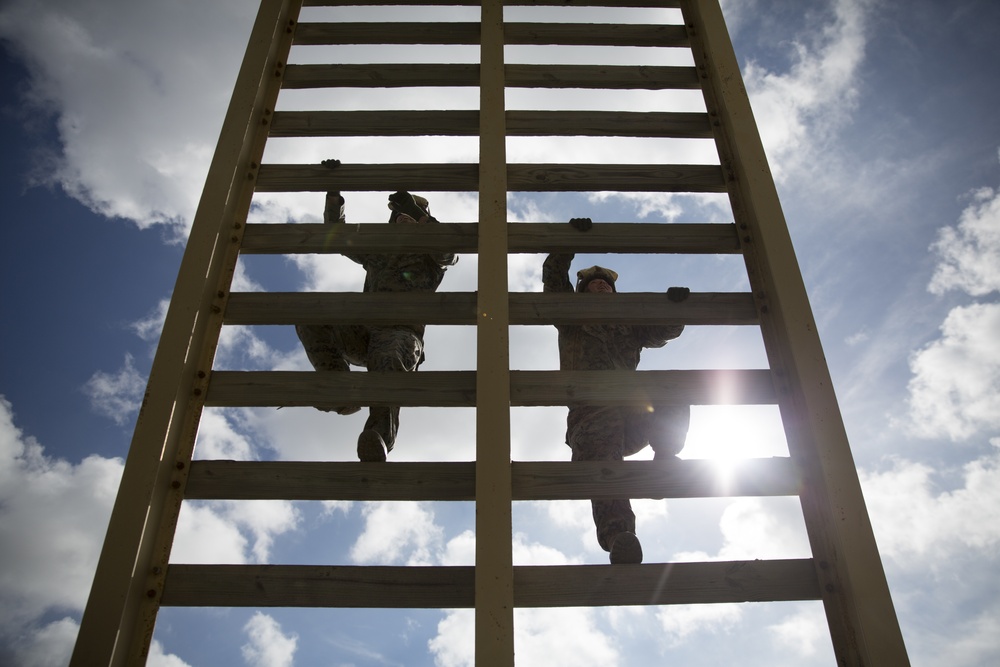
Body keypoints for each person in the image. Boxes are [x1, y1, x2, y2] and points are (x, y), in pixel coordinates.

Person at [542, 217, 691, 564]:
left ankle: (665, 461)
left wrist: (677, 309)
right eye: (592, 284)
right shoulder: (572, 318)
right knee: (607, 470)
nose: (600, 287)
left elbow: (662, 333)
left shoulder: (627, 325)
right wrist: (566, 241)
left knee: (670, 387)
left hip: (633, 416)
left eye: (605, 284)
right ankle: (619, 536)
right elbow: (553, 279)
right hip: (593, 419)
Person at [296, 161, 457, 462]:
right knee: (311, 316)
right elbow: (336, 236)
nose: (403, 219)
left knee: (388, 362)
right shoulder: (380, 249)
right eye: (399, 215)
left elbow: (447, 250)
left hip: (399, 334)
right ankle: (340, 391)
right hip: (364, 332)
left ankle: (378, 437)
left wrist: (420, 217)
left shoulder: (431, 255)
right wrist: (335, 195)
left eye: (410, 215)